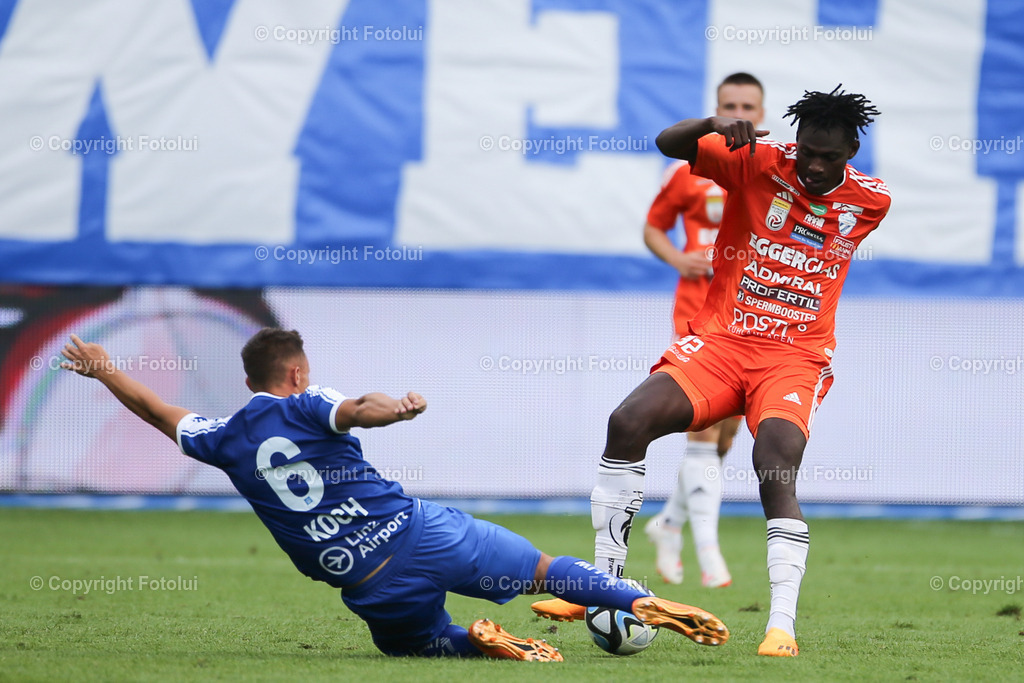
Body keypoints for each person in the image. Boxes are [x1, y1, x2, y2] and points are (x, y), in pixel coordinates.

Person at [59, 328, 729, 661]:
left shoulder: (224, 436)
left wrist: (105, 368)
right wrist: (397, 412)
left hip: (370, 584)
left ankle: (478, 642)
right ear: (295, 372)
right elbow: (355, 408)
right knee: (544, 571)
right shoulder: (306, 402)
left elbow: (155, 409)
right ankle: (635, 599)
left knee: (412, 645)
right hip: (421, 533)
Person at [533, 85, 889, 657]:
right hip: (721, 345)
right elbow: (667, 142)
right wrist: (712, 125)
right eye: (808, 153)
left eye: (832, 157)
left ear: (852, 150)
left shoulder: (872, 201)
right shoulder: (756, 164)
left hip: (794, 358)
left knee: (773, 463)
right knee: (627, 421)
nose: (817, 167)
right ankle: (600, 587)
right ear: (795, 143)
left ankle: (781, 627)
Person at [641, 72, 767, 588]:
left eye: (748, 105)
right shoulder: (692, 171)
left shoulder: (773, 168)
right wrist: (678, 257)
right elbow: (653, 225)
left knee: (724, 437)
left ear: (762, 113)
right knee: (703, 431)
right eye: (729, 104)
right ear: (716, 110)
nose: (739, 112)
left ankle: (668, 524)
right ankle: (710, 555)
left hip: (751, 316)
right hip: (698, 312)